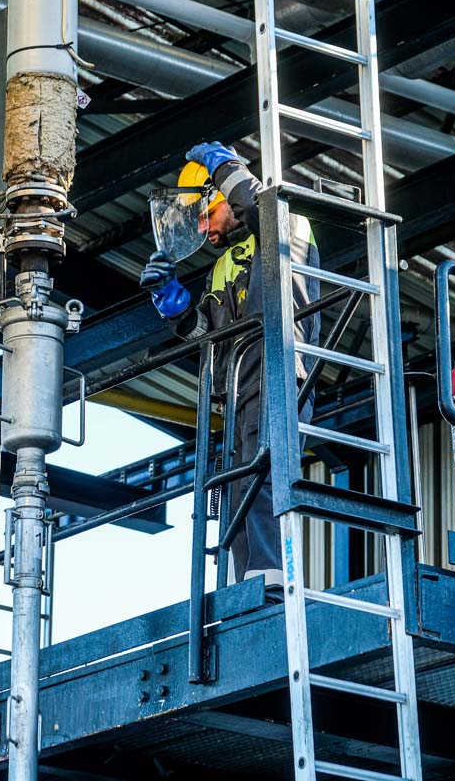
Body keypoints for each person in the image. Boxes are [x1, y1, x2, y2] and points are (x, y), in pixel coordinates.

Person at [140, 141, 320, 598]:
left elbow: (265, 212)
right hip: (239, 392)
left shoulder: (284, 222)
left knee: (262, 479)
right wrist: (176, 309)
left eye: (203, 213)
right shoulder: (222, 268)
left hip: (279, 376)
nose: (201, 228)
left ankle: (272, 585)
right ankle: (248, 587)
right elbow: (209, 337)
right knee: (239, 489)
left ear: (221, 195)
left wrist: (225, 167)